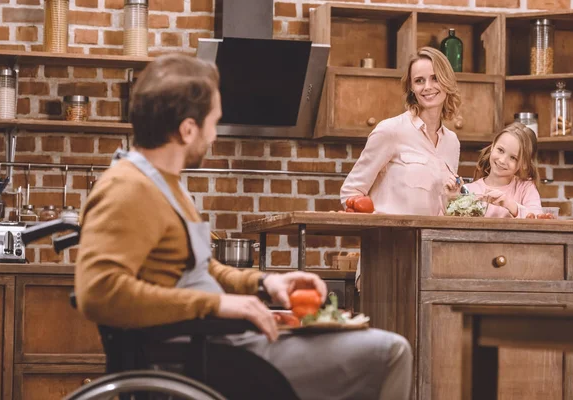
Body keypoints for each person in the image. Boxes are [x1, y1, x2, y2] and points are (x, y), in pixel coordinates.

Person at [74, 53, 412, 400]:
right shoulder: (128, 188)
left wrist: (265, 282)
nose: (214, 136)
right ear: (188, 129)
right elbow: (98, 293)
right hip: (201, 356)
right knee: (390, 352)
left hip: (215, 341)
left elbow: (201, 269)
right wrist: (218, 306)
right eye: (213, 123)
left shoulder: (164, 184)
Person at [339, 47, 462, 289]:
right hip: (386, 259)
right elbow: (350, 194)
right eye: (419, 81)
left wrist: (452, 201)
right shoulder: (391, 131)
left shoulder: (452, 142)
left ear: (447, 82)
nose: (428, 86)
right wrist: (385, 230)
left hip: (430, 262)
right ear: (412, 90)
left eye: (435, 78)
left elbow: (442, 209)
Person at [464, 122, 542, 218]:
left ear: (524, 164)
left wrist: (509, 204)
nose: (502, 160)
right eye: (500, 150)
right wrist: (448, 199)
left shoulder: (525, 188)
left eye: (513, 158)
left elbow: (537, 218)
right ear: (493, 147)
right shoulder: (469, 190)